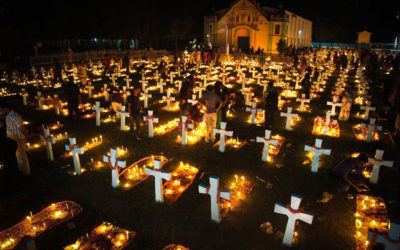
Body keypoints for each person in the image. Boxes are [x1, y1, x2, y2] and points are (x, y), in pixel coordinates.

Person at [0, 101, 30, 175]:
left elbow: (22, 128)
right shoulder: (7, 115)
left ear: (6, 109)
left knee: (21, 157)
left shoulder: (14, 116)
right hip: (11, 140)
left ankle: (25, 173)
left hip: (18, 139)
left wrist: (26, 136)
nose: (0, 112)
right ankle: (19, 171)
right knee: (16, 157)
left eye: (0, 110)